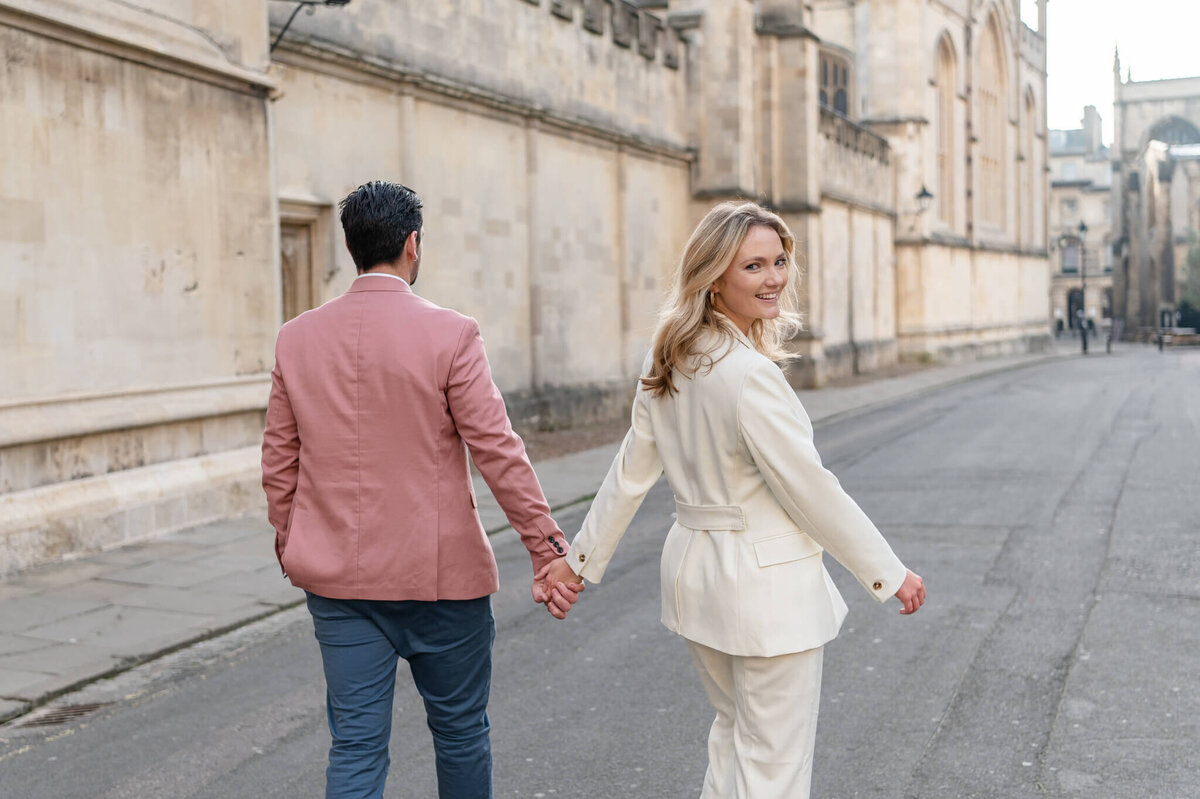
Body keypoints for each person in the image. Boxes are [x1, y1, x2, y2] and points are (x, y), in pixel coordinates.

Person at [538, 201, 926, 799]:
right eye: (753, 267)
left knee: (734, 739)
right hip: (766, 594)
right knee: (774, 765)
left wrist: (578, 560)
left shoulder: (668, 355)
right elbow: (810, 490)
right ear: (714, 277)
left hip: (699, 582)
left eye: (779, 262)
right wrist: (887, 572)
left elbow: (629, 473)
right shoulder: (749, 375)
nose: (774, 278)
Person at [262, 180, 580, 799]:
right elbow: (498, 450)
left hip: (338, 581)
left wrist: (291, 542)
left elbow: (280, 461)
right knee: (460, 732)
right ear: (413, 244)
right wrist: (546, 549)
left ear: (352, 246)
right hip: (440, 582)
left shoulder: (296, 337)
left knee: (355, 744)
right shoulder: (451, 334)